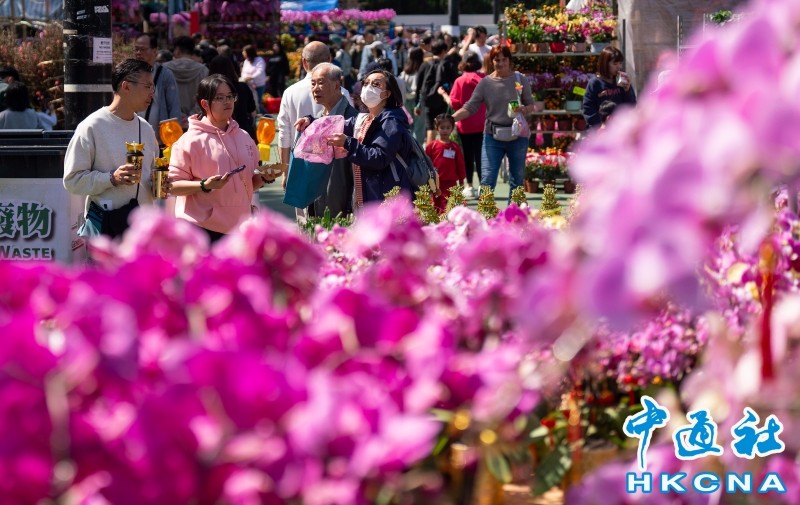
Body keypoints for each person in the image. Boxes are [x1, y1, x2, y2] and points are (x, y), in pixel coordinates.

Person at [63, 59, 163, 238]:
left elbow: (149, 180)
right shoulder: (92, 126)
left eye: (153, 87)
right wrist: (111, 178)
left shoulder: (146, 128)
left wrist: (160, 185)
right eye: (147, 86)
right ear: (126, 86)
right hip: (105, 231)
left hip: (142, 234)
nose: (152, 93)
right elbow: (72, 181)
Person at [168, 74, 267, 243]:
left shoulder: (244, 136)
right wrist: (203, 185)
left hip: (240, 228)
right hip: (202, 229)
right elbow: (172, 186)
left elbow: (248, 184)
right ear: (204, 104)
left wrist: (265, 177)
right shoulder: (189, 141)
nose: (227, 102)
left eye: (230, 96)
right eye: (220, 98)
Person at [450, 45, 534, 199]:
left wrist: (524, 109)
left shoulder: (520, 79)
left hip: (518, 135)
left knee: (517, 180)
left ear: (509, 60)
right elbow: (470, 107)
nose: (500, 63)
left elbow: (531, 105)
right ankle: (485, 210)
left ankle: (513, 212)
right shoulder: (485, 83)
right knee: (487, 179)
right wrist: (451, 118)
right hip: (492, 136)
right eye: (497, 60)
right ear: (491, 61)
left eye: (504, 59)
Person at [325, 69, 415, 208]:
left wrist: (348, 143)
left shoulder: (391, 121)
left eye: (376, 84)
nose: (368, 87)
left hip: (388, 197)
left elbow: (379, 157)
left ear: (387, 94)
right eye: (366, 83)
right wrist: (310, 121)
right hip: (372, 192)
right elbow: (336, 125)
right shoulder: (365, 118)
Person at [277, 41, 351, 193]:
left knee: (304, 207)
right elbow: (349, 129)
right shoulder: (341, 92)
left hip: (300, 166)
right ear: (329, 60)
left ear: (304, 62)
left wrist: (286, 171)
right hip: (333, 168)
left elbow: (284, 134)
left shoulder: (290, 92)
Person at [305, 63, 358, 217]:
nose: (315, 88)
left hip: (341, 209)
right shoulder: (318, 119)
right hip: (318, 203)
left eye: (321, 83)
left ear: (336, 85)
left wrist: (350, 207)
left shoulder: (351, 120)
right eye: (313, 84)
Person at [442, 51, 486, 199]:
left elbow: (454, 103)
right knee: (481, 156)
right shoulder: (484, 79)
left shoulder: (460, 81)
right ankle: (483, 185)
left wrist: (443, 95)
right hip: (482, 123)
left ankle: (469, 185)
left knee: (467, 156)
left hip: (465, 124)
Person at [133, 33, 182, 145]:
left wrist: (173, 141)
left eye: (143, 49)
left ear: (155, 51)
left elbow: (173, 107)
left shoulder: (164, 74)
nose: (138, 53)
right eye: (136, 49)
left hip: (159, 140)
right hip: (134, 139)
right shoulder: (130, 74)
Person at [582, 45, 636, 130]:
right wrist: (600, 126)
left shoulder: (621, 81)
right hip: (600, 130)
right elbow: (588, 108)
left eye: (620, 63)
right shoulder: (595, 83)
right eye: (615, 64)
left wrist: (628, 91)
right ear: (605, 64)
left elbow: (631, 106)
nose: (618, 67)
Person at [163, 36, 209, 128]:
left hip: (170, 122)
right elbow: (205, 96)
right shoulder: (203, 70)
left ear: (177, 50)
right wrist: (191, 115)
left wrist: (178, 114)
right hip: (196, 122)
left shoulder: (164, 69)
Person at [208, 55, 256, 140]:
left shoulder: (209, 91)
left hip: (217, 135)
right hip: (243, 133)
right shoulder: (243, 87)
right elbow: (252, 112)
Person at [425, 114, 465, 212]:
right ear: (437, 128)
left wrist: (461, 181)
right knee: (435, 207)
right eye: (442, 128)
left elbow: (460, 165)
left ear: (452, 128)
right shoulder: (432, 146)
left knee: (450, 207)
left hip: (451, 183)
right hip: (435, 183)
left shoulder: (455, 147)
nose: (445, 130)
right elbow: (425, 164)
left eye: (448, 128)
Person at [414, 40, 449, 144]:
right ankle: (441, 150)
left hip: (427, 101)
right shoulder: (447, 65)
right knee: (442, 126)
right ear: (443, 51)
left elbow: (418, 85)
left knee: (430, 128)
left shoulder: (424, 65)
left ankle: (430, 152)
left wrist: (417, 104)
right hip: (442, 100)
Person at [399, 47, 426, 143]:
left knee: (408, 126)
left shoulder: (404, 72)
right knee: (419, 128)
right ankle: (417, 148)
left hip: (406, 100)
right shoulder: (422, 70)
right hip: (418, 101)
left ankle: (408, 146)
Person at [241, 45, 268, 113]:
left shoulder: (259, 60)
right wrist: (245, 77)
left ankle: (266, 115)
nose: (243, 53)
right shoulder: (246, 61)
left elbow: (260, 71)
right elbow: (243, 72)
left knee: (258, 102)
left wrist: (252, 77)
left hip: (259, 84)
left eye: (244, 52)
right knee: (252, 102)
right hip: (249, 85)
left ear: (249, 52)